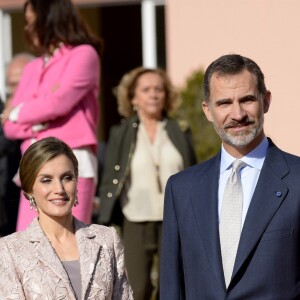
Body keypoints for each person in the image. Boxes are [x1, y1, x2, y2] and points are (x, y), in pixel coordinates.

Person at [160, 53, 300, 299]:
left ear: (265, 101)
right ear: (208, 110)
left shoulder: (296, 180)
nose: (237, 114)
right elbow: (172, 286)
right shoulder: (181, 189)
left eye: (247, 100)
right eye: (224, 103)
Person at [1, 0, 102, 231]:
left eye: (31, 21)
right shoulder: (31, 67)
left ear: (50, 18)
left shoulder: (84, 55)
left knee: (69, 244)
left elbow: (59, 103)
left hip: (72, 162)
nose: (27, 28)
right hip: (33, 165)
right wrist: (40, 117)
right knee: (28, 248)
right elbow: (9, 127)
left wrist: (20, 112)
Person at [99, 67, 197, 300]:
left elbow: (194, 173)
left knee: (171, 288)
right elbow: (109, 180)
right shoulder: (120, 133)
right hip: (135, 218)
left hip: (175, 218)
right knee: (137, 288)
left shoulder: (179, 130)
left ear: (166, 95)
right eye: (146, 90)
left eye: (158, 89)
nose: (153, 94)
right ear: (133, 97)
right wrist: (105, 215)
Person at [0, 137, 133, 299]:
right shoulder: (9, 250)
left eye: (67, 178)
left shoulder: (107, 240)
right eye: (46, 180)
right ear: (29, 189)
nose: (59, 189)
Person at [0, 53, 34, 236]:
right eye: (11, 85)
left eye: (20, 83)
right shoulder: (5, 109)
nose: (15, 90)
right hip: (6, 198)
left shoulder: (47, 110)